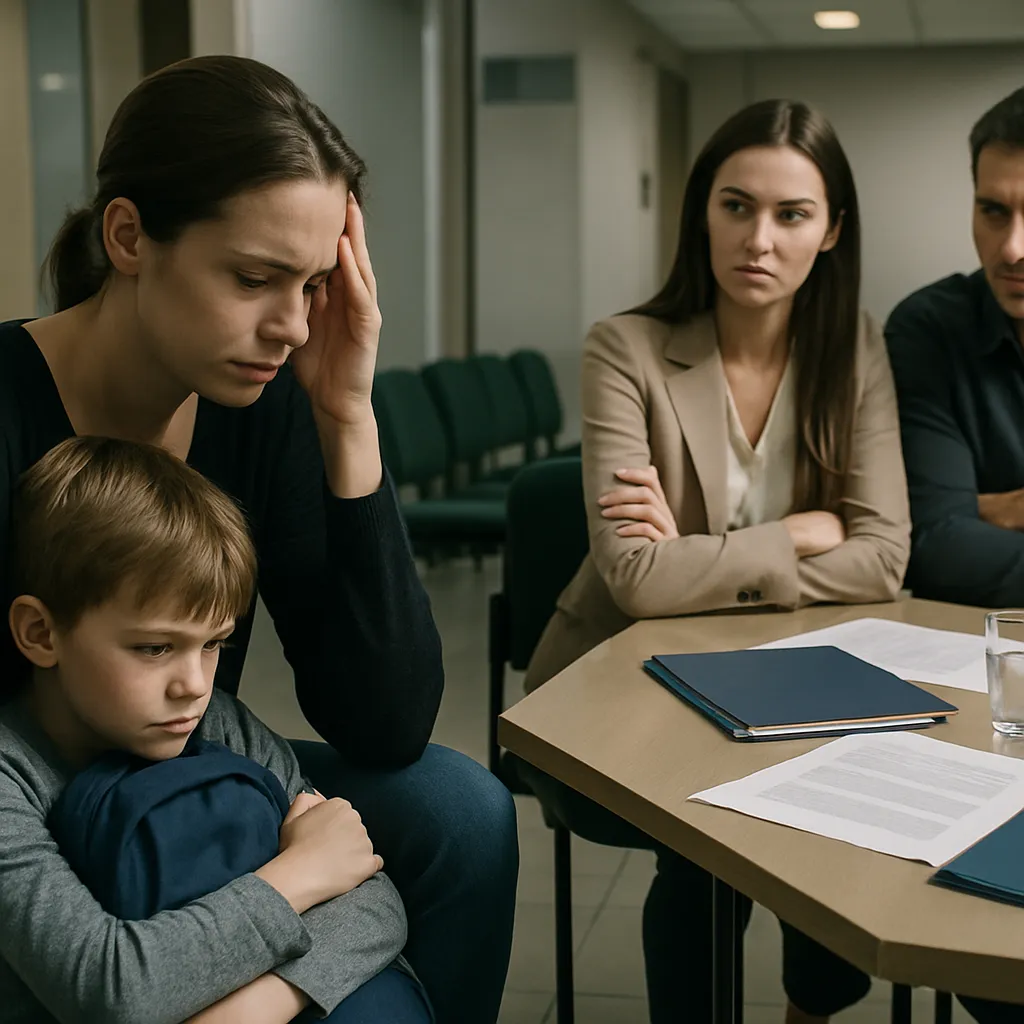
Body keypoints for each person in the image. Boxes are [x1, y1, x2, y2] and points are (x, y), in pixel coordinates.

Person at [0, 55, 516, 1024]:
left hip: (191, 771)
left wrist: (347, 414)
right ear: (129, 236)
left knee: (461, 811)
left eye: (314, 284)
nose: (288, 325)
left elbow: (383, 718)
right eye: (253, 277)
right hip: (27, 811)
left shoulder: (264, 397)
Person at [520, 99, 911, 1024]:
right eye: (736, 206)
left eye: (792, 215)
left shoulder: (854, 349)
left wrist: (693, 556)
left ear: (832, 232)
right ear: (702, 212)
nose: (759, 239)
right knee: (709, 830)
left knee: (847, 792)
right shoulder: (626, 350)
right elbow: (631, 579)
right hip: (618, 690)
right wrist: (805, 532)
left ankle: (811, 1010)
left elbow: (885, 557)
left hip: (799, 686)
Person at [1, 435, 430, 1023]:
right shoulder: (10, 774)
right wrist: (297, 875)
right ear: (41, 634)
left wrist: (251, 1008)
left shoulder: (219, 723)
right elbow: (109, 985)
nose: (194, 685)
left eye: (213, 645)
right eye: (155, 648)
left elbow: (373, 903)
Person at [885, 86, 1024, 608]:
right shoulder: (930, 328)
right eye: (993, 211)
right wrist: (958, 516)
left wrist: (988, 509)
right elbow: (934, 542)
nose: (1013, 248)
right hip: (976, 654)